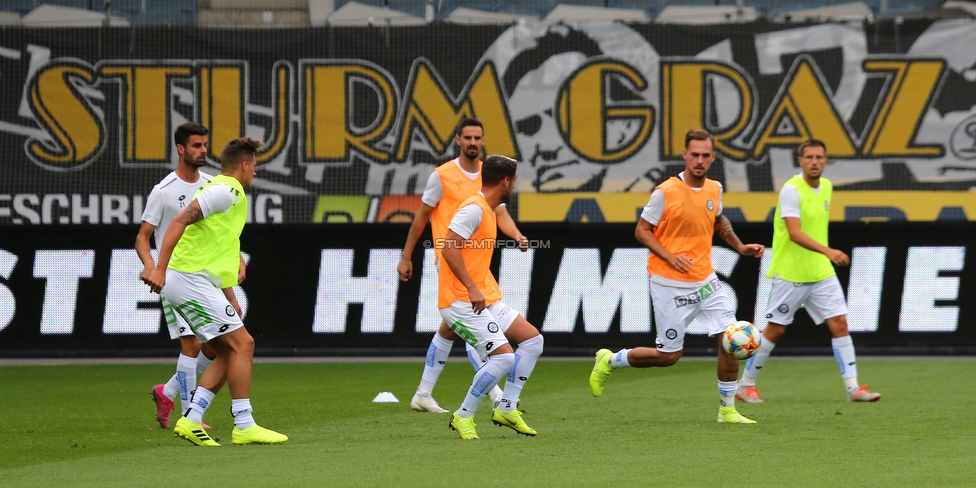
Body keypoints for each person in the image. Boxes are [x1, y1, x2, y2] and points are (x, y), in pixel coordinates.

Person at [588, 128, 765, 424]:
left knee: (731, 339)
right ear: (684, 154)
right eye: (694, 154)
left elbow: (718, 219)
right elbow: (642, 230)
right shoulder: (666, 191)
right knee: (669, 356)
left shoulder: (714, 189)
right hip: (669, 284)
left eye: (705, 155)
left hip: (706, 281)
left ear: (713, 157)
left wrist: (740, 246)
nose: (699, 160)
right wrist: (669, 255)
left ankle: (727, 410)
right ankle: (610, 360)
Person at [146, 137, 287, 446]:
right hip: (186, 279)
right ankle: (244, 423)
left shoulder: (225, 191)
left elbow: (218, 251)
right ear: (246, 165)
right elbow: (178, 222)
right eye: (255, 168)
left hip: (194, 280)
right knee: (244, 344)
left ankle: (192, 418)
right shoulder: (226, 190)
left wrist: (231, 297)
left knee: (225, 350)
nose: (255, 174)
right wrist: (159, 267)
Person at [398, 118, 528, 413]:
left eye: (477, 137)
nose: (472, 142)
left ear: (483, 141)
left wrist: (517, 234)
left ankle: (423, 393)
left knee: (452, 327)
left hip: (477, 261)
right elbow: (422, 216)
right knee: (475, 321)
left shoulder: (490, 174)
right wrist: (406, 255)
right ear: (458, 140)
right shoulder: (442, 175)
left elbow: (501, 212)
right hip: (451, 258)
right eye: (467, 137)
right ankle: (495, 393)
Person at [736, 140, 881, 404]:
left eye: (820, 157)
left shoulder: (826, 186)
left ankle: (853, 389)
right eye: (809, 157)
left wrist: (823, 257)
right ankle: (745, 385)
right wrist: (828, 251)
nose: (815, 161)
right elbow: (794, 233)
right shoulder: (791, 190)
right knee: (775, 330)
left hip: (820, 273)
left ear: (826, 161)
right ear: (800, 161)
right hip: (791, 273)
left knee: (840, 324)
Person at [439, 155, 544, 439]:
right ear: (506, 181)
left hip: (484, 298)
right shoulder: (473, 208)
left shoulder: (488, 208)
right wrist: (472, 288)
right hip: (460, 300)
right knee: (504, 359)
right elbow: (448, 247)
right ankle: (463, 415)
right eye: (515, 180)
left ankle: (507, 408)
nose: (515, 186)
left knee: (533, 340)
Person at [136, 122, 226, 429]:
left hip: (204, 276)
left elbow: (220, 232)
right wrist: (152, 267)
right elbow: (142, 237)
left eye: (204, 145)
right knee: (191, 345)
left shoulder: (213, 185)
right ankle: (190, 417)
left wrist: (236, 256)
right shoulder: (163, 191)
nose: (203, 150)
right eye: (197, 146)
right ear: (180, 149)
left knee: (214, 347)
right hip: (174, 278)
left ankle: (168, 391)